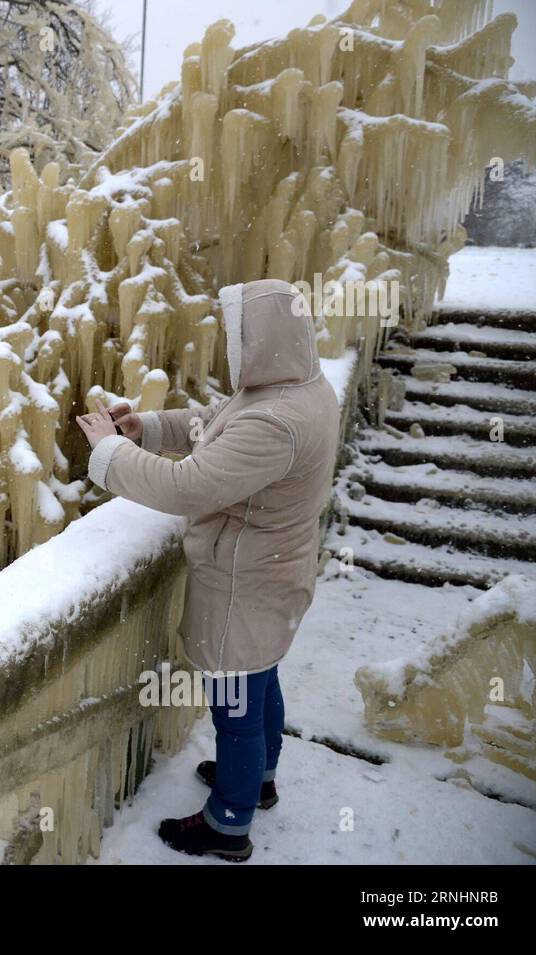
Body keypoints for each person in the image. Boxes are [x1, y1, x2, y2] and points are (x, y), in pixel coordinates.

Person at [75, 278, 340, 862]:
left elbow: (189, 486)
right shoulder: (299, 388)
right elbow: (219, 420)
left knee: (236, 706)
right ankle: (260, 780)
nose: (230, 344)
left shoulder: (278, 423)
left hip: (246, 584)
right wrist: (151, 426)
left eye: (236, 333)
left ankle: (228, 823)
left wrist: (111, 452)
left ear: (262, 336)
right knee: (262, 678)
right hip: (275, 571)